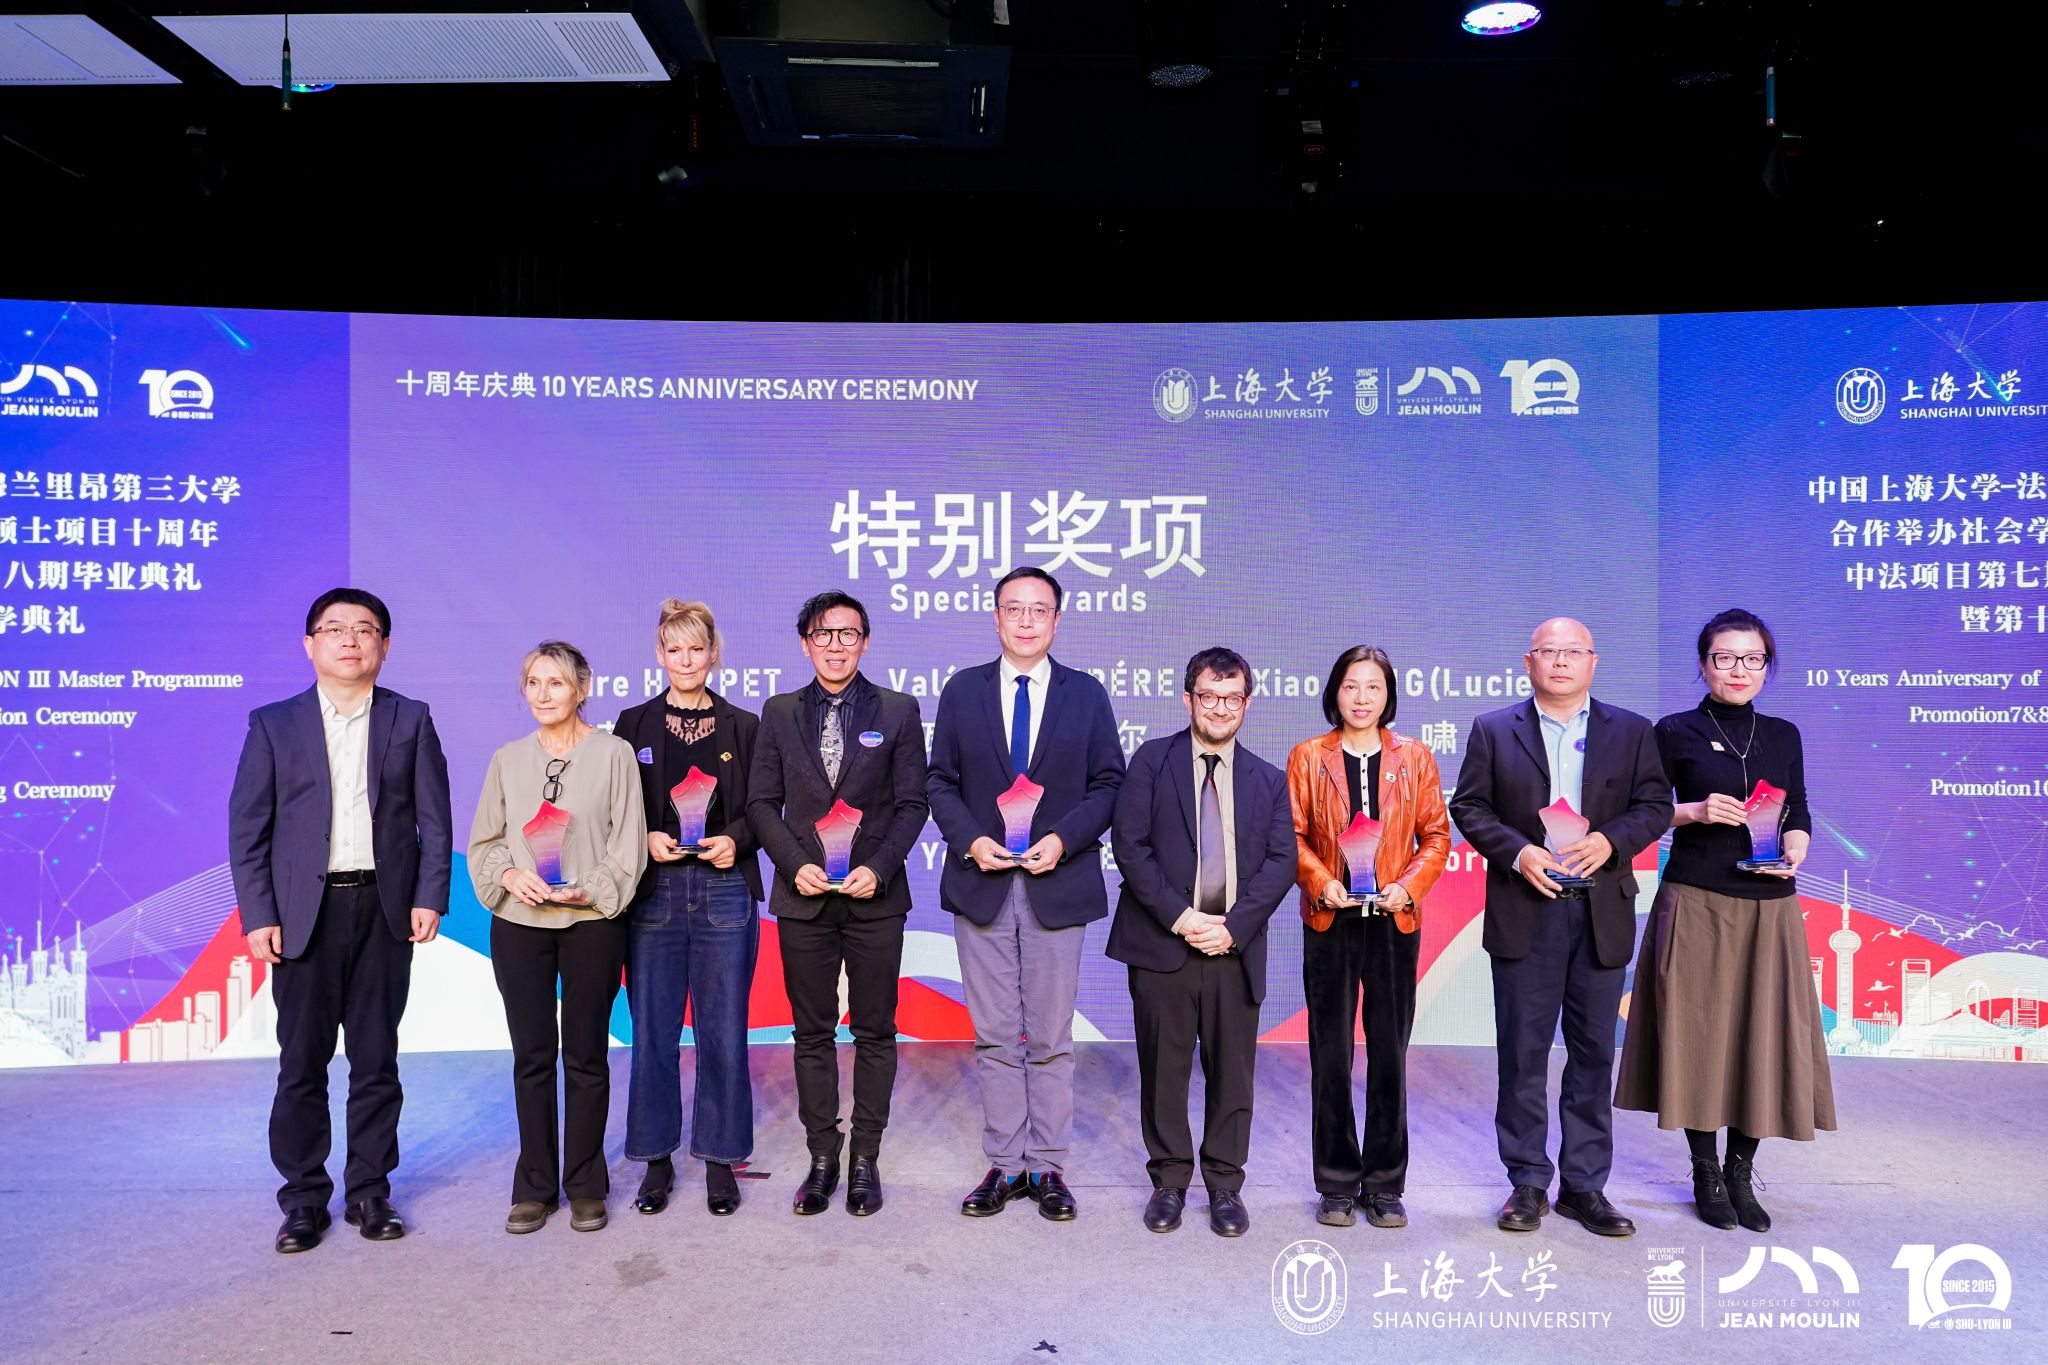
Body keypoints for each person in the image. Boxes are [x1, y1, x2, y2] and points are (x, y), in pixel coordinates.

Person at [229, 588, 452, 1254]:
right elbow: (248, 828)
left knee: (376, 1059)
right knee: (301, 1062)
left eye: (365, 629)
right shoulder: (274, 724)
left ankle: (369, 1191)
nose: (350, 640)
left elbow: (435, 820)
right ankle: (303, 1198)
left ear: (385, 645)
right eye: (335, 629)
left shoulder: (410, 718)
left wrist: (429, 896)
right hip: (305, 914)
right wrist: (259, 913)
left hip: (383, 908)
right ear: (310, 644)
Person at [1449, 618, 1670, 1239]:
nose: (1561, 661)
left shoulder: (1632, 731)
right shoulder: (1495, 729)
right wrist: (1519, 853)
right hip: (1527, 906)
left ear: (1594, 662)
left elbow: (1654, 806)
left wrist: (1610, 841)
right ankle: (1526, 1181)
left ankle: (1584, 1186)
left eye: (1573, 651)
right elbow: (1469, 805)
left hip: (1600, 908)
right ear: (1529, 663)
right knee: (1522, 1053)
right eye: (1549, 651)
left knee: (1593, 1053)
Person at [1616, 608, 1834, 1232]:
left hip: (1770, 907)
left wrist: (1797, 845)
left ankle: (1742, 1171)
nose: (1738, 669)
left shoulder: (1784, 734)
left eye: (1752, 659)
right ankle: (1706, 1171)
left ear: (1767, 666)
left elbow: (1799, 809)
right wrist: (1695, 811)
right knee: (1700, 1038)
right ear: (1704, 664)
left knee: (1761, 1035)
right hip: (1697, 900)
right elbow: (1643, 812)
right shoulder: (1672, 730)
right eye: (1725, 657)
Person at [926, 567, 1125, 1222]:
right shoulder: (963, 690)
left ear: (1057, 620)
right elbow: (939, 781)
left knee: (1049, 1035)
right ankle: (1005, 1164)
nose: (1027, 620)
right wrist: (971, 840)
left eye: (1040, 609)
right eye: (1015, 608)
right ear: (996, 617)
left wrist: (1064, 839)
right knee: (993, 1035)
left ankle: (1047, 1165)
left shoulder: (1085, 694)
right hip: (981, 884)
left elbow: (1109, 783)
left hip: (1056, 886)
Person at [747, 591, 929, 1217]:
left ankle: (865, 1158)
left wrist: (879, 869)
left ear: (865, 642)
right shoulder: (779, 712)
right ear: (806, 644)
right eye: (823, 634)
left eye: (847, 634)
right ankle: (823, 1156)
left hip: (875, 897)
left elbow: (913, 804)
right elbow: (760, 803)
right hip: (803, 898)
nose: (835, 645)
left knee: (875, 1029)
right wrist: (793, 865)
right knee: (812, 1032)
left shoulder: (898, 710)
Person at [1108, 648, 1296, 1237]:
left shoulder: (1268, 779)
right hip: (1165, 943)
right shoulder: (1151, 760)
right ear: (1188, 699)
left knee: (1233, 1074)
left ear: (1247, 704)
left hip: (1234, 948)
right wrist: (1183, 918)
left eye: (1231, 698)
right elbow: (1130, 845)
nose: (1219, 708)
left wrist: (1233, 926)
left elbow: (1282, 862)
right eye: (1208, 696)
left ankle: (1224, 1184)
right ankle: (1168, 1180)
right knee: (1163, 1070)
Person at [469, 641, 648, 1235]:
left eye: (557, 683)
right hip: (520, 924)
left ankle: (586, 1184)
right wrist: (508, 876)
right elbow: (486, 841)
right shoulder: (507, 759)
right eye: (534, 683)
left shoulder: (614, 754)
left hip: (591, 922)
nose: (543, 694)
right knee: (532, 1055)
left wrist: (590, 889)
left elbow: (628, 842)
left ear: (582, 689)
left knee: (586, 1055)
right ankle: (534, 1186)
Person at [1286, 646, 1452, 1230]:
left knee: (1389, 1054)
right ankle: (1335, 1182)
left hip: (1392, 922)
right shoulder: (1309, 756)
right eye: (1351, 686)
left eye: (1373, 687)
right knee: (1330, 1054)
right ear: (1335, 692)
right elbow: (1292, 835)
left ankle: (1384, 1184)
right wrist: (1321, 881)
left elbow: (1437, 836)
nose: (1361, 698)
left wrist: (1408, 888)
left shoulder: (1416, 757)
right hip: (1330, 920)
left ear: (1389, 695)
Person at [614, 599, 763, 1218]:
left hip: (724, 890)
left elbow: (765, 807)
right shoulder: (632, 724)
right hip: (655, 892)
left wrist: (737, 839)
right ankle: (656, 1158)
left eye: (696, 648)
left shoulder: (744, 726)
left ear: (714, 654)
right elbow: (615, 807)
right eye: (674, 649)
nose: (685, 660)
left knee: (723, 1031)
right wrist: (643, 836)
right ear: (659, 655)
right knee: (653, 1033)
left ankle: (721, 1158)